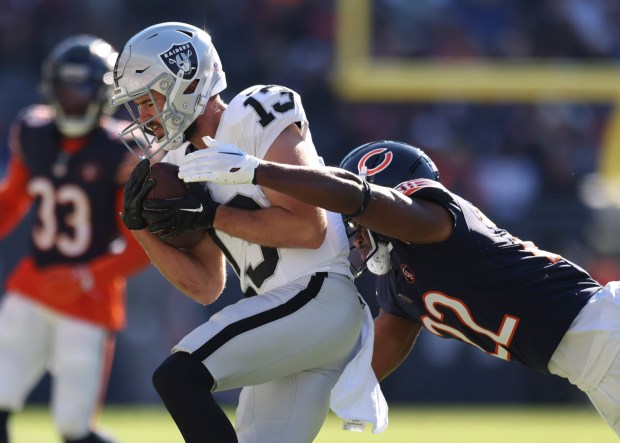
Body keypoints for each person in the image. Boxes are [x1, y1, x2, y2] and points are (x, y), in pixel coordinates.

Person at [177, 139, 620, 438]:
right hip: (592, 363)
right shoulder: (401, 277)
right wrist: (317, 383)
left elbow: (364, 200)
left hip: (606, 334)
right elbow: (372, 353)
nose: (354, 233)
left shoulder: (435, 221)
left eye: (356, 221)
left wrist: (261, 172)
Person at [111, 22, 385, 443]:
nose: (144, 117)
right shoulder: (178, 164)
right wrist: (141, 229)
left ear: (187, 80)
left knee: (180, 375)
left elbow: (308, 228)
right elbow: (205, 286)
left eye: (149, 101)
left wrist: (211, 215)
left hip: (315, 296)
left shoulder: (253, 112)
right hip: (285, 317)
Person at [0, 35, 151, 443]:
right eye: (65, 90)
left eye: (81, 90)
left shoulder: (123, 148)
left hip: (90, 298)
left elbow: (143, 246)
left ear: (103, 94)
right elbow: (12, 200)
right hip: (33, 285)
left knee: (73, 427)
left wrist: (86, 276)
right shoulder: (32, 131)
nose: (71, 100)